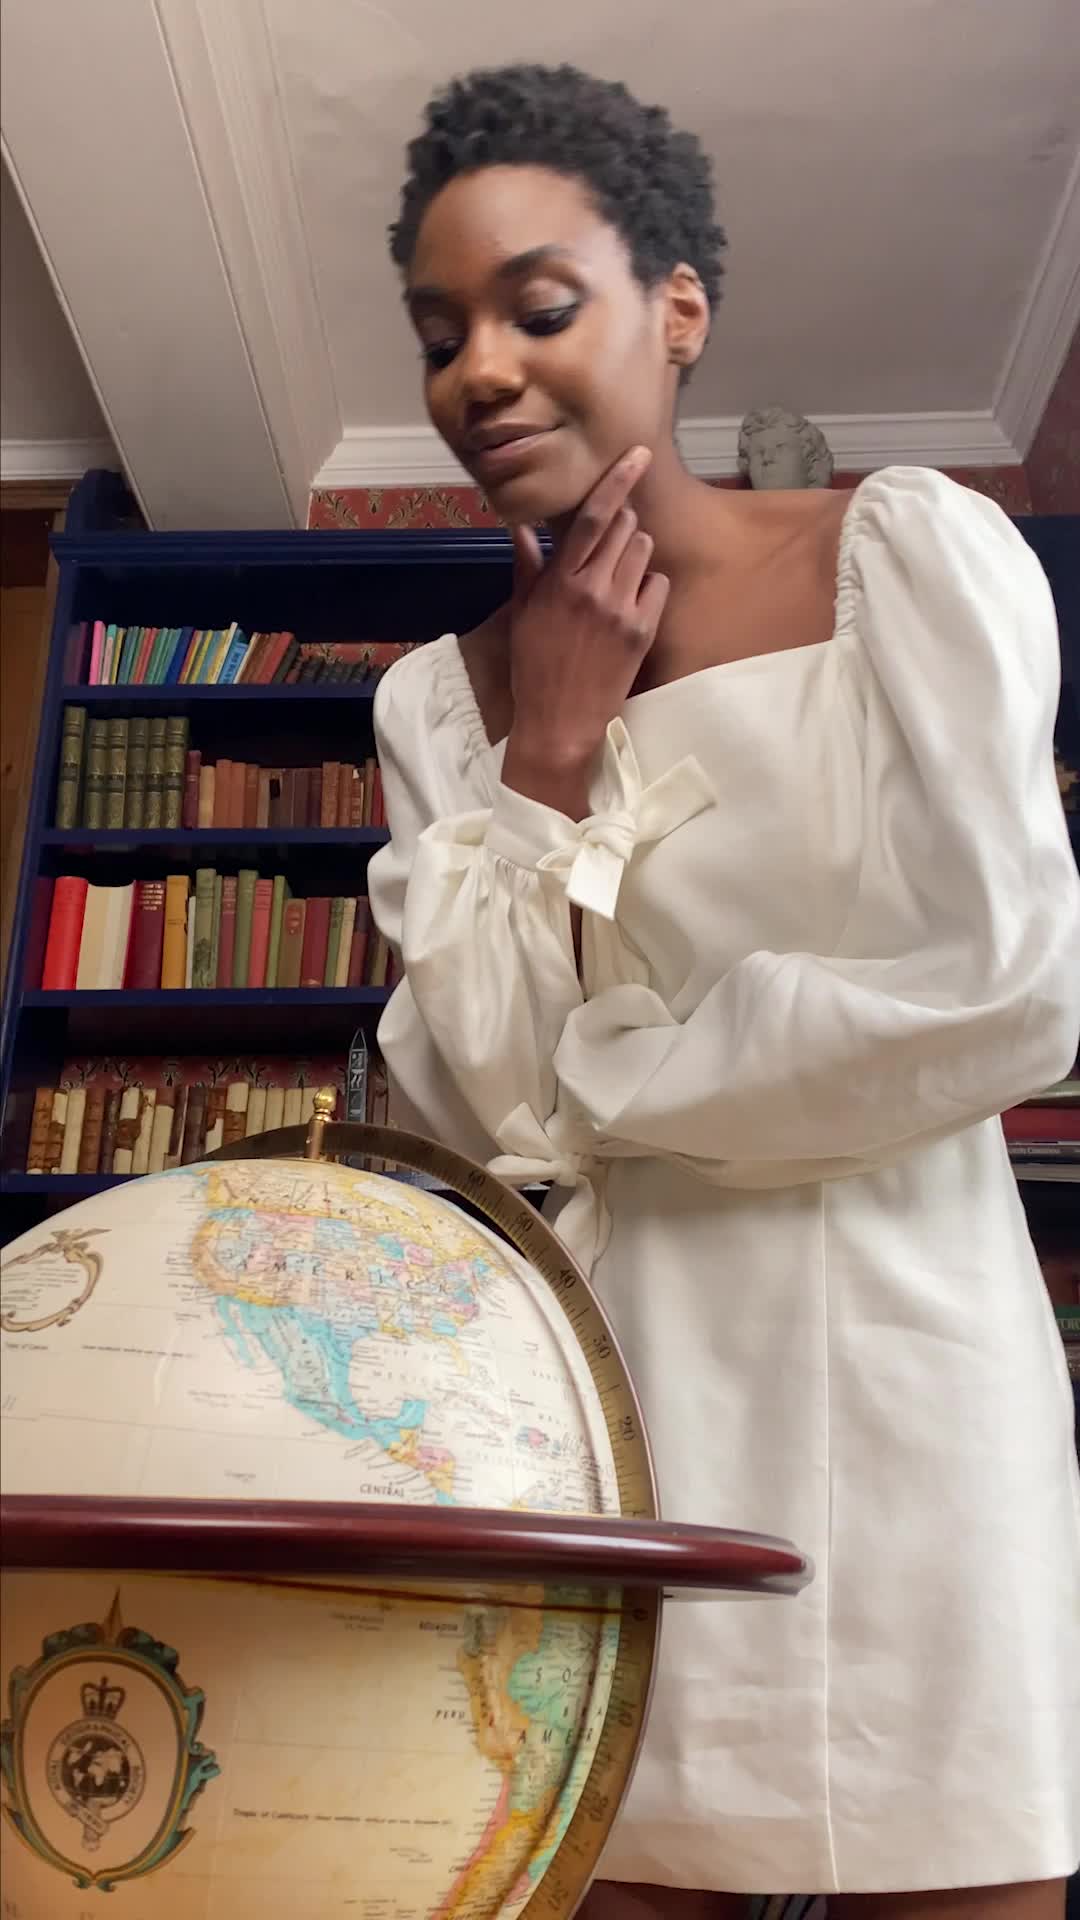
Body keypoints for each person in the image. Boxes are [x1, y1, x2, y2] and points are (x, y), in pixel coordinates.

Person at [367, 62, 1080, 1920]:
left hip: (921, 1363)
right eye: (439, 336)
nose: (479, 373)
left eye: (538, 307)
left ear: (678, 309)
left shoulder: (901, 559)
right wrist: (548, 752)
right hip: (614, 1404)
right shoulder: (437, 708)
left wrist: (610, 1081)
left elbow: (1003, 992)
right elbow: (485, 1108)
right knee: (617, 1867)